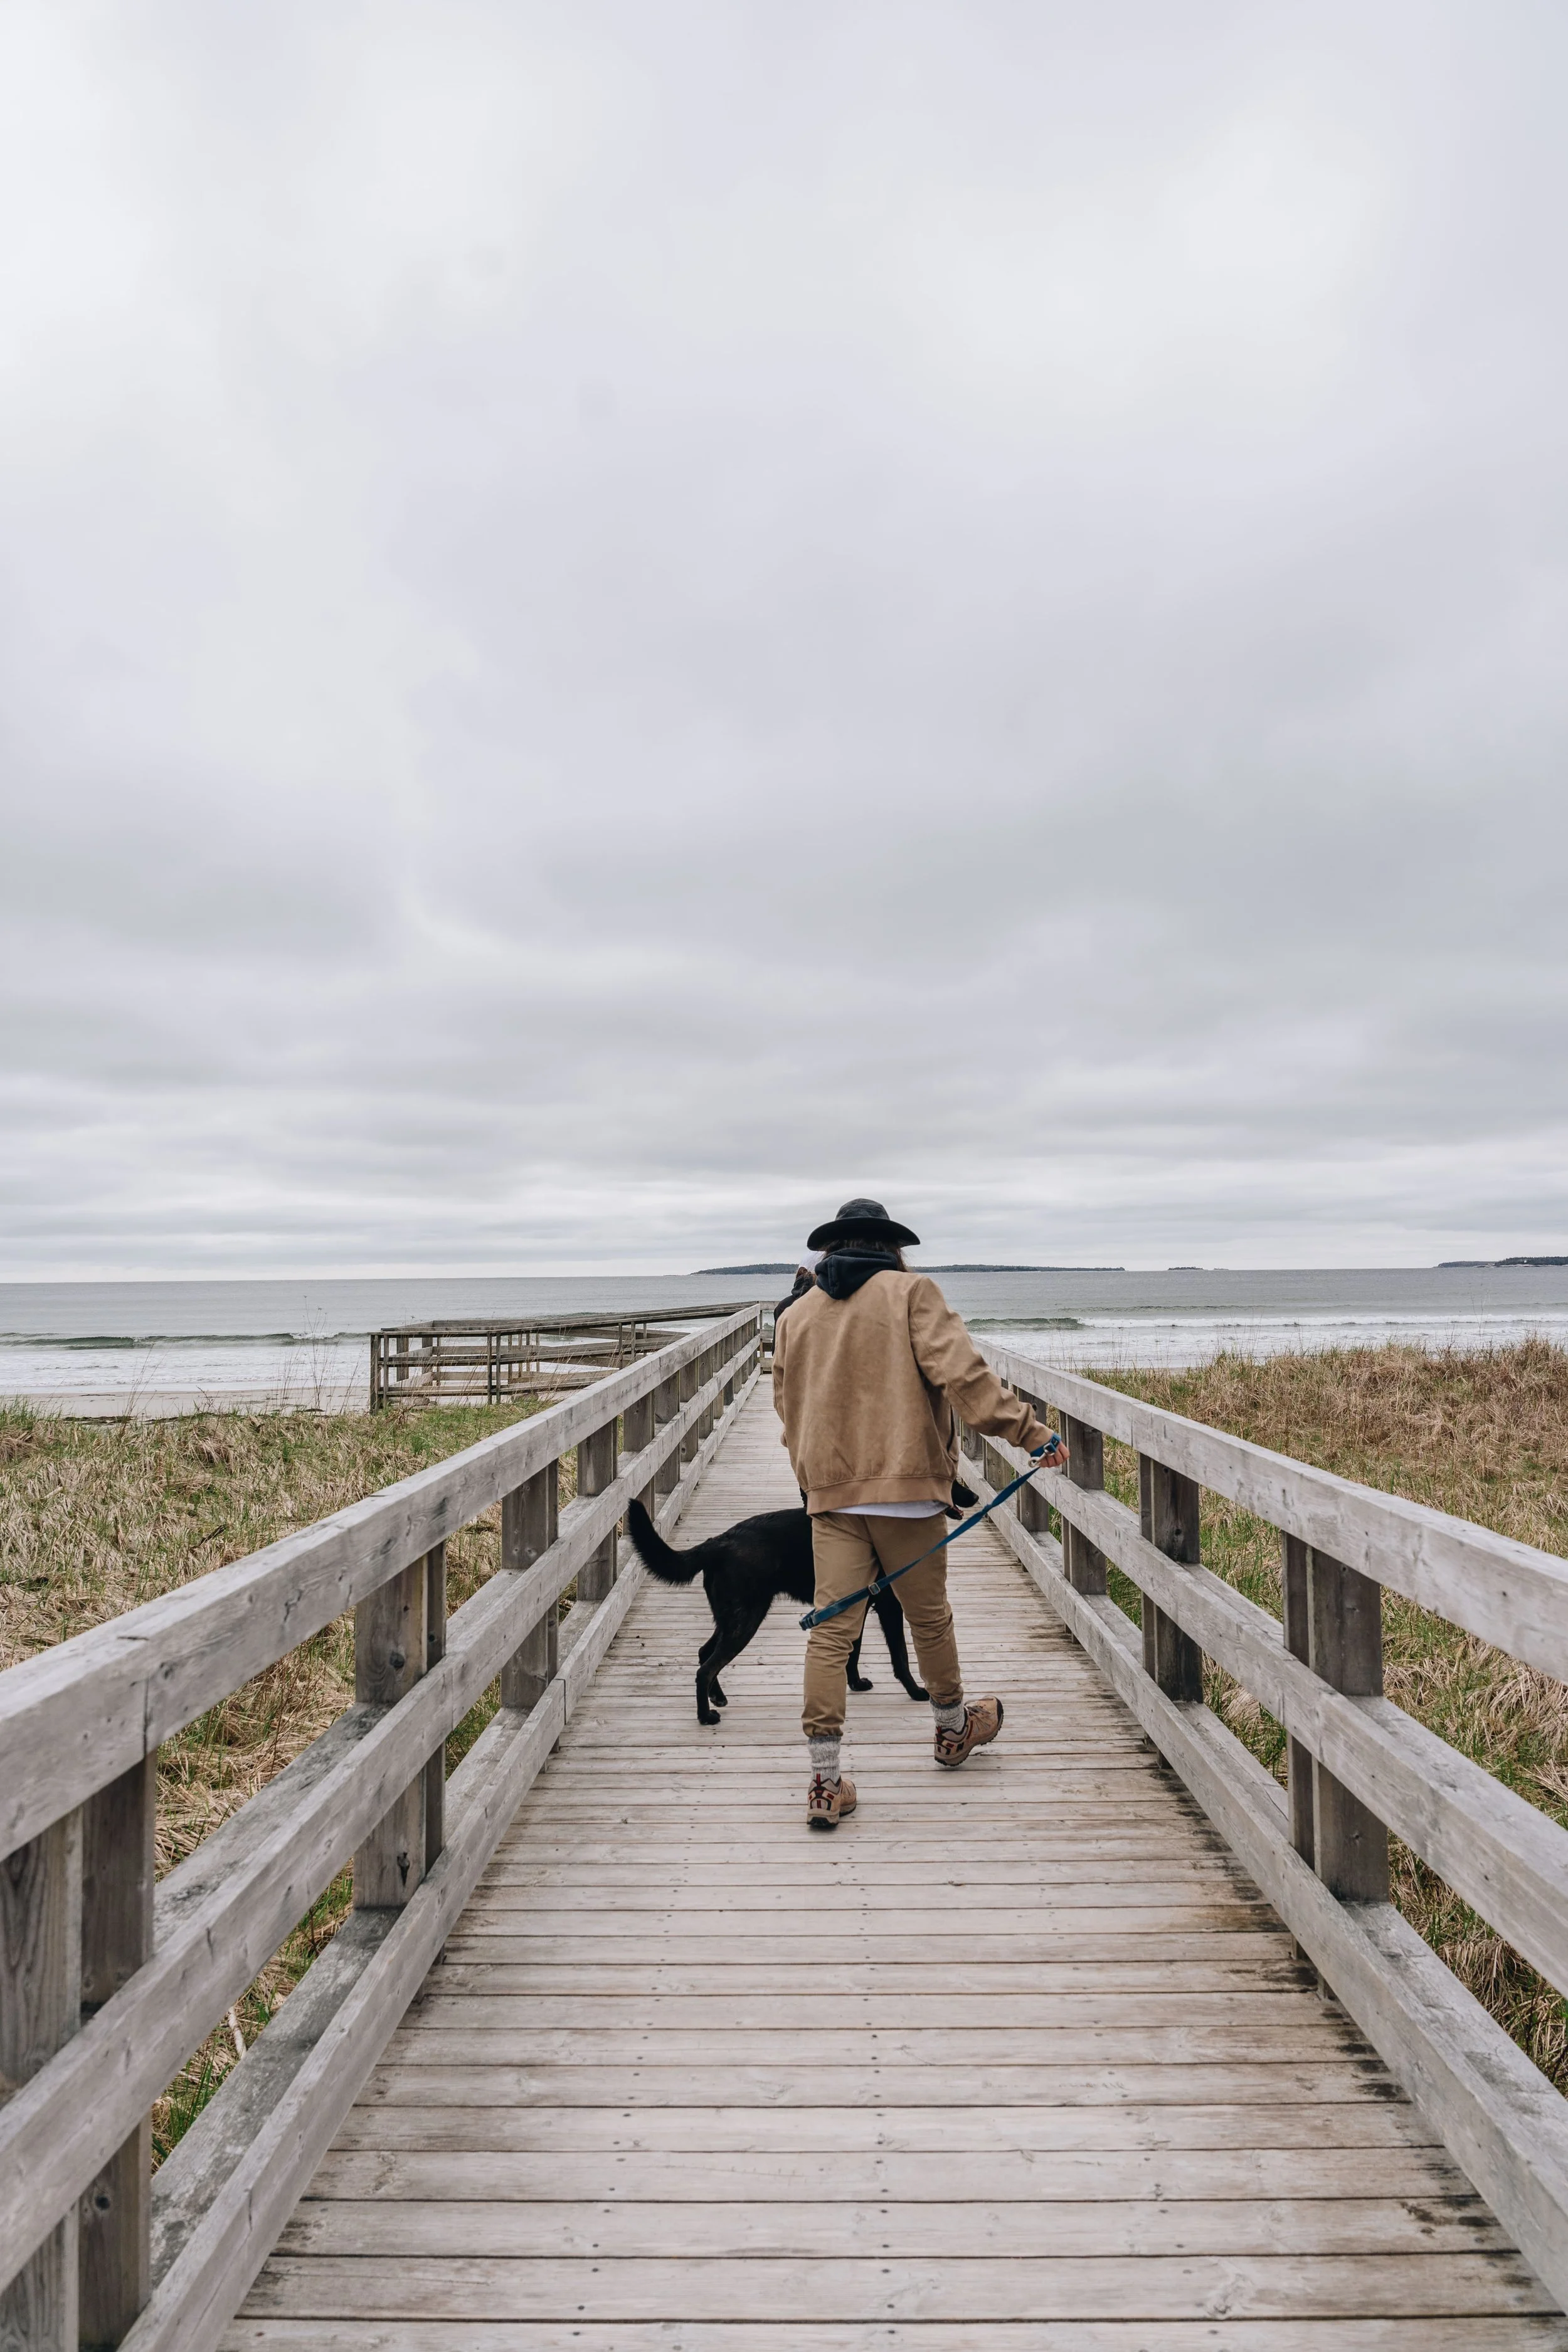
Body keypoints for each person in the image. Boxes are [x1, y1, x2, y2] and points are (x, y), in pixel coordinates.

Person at [772, 1196, 1068, 1829]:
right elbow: (965, 1378)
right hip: (907, 1492)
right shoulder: (912, 1293)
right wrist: (1031, 1433)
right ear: (890, 1246)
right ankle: (952, 1731)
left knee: (832, 1631)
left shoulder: (797, 1314)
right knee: (928, 1619)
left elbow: (785, 1404)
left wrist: (811, 1474)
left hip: (832, 1493)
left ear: (831, 1249)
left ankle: (824, 1782)